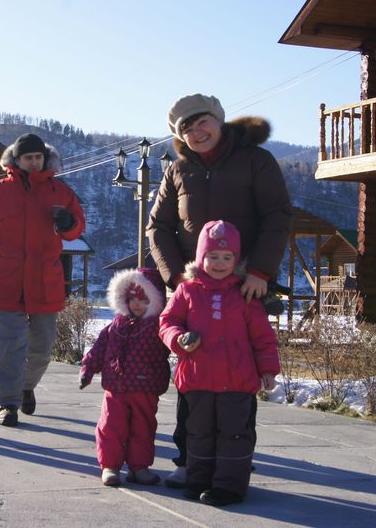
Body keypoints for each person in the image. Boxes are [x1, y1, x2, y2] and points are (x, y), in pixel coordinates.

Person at [147, 93, 292, 487]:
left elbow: (277, 216)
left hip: (244, 284)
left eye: (202, 123)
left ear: (218, 120)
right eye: (187, 129)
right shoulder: (177, 170)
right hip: (193, 285)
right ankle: (188, 459)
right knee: (192, 372)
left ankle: (235, 456)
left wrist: (261, 271)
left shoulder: (256, 161)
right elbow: (157, 228)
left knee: (237, 376)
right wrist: (177, 277)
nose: (197, 132)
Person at [0, 133, 85, 427]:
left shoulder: (60, 192)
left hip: (45, 281)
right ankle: (6, 402)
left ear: (45, 159)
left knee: (42, 349)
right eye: (28, 158)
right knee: (10, 346)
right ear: (16, 160)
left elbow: (77, 227)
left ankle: (25, 385)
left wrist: (69, 224)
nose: (33, 162)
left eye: (38, 157)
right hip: (7, 281)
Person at [159, 220, 279, 506]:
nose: (220, 263)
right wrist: (178, 339)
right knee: (198, 433)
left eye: (227, 258)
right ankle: (199, 478)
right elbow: (167, 321)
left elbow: (263, 336)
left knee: (234, 434)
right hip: (198, 378)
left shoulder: (245, 293)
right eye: (213, 256)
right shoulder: (187, 290)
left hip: (237, 381)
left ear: (236, 260)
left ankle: (229, 486)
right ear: (201, 257)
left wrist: (268, 370)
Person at [79, 267, 171, 487]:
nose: (137, 304)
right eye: (132, 299)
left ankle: (140, 467)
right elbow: (99, 348)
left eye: (144, 299)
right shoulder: (117, 324)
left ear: (156, 300)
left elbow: (173, 341)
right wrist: (88, 369)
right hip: (116, 387)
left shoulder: (159, 326)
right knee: (111, 426)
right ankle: (110, 465)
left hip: (146, 387)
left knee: (143, 429)